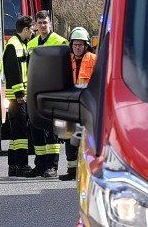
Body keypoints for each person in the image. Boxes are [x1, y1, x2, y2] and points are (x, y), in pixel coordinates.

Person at [25, 10, 69, 178]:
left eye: (45, 23)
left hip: (53, 91)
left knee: (51, 130)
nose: (42, 26)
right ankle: (40, 164)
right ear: (35, 25)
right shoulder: (32, 44)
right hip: (35, 91)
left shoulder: (60, 41)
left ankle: (52, 166)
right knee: (36, 129)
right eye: (39, 23)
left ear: (50, 24)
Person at [59, 26, 97, 181]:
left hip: (87, 106)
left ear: (86, 45)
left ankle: (89, 170)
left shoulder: (94, 60)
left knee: (87, 139)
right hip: (70, 105)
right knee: (69, 137)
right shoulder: (66, 60)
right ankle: (71, 170)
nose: (77, 47)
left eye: (80, 44)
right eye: (75, 44)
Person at [3, 16, 34, 177]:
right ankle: (21, 165)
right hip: (17, 97)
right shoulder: (13, 45)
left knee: (16, 133)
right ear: (26, 29)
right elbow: (13, 72)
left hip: (18, 96)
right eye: (32, 29)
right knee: (20, 132)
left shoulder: (21, 44)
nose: (33, 32)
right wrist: (20, 93)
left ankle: (13, 166)